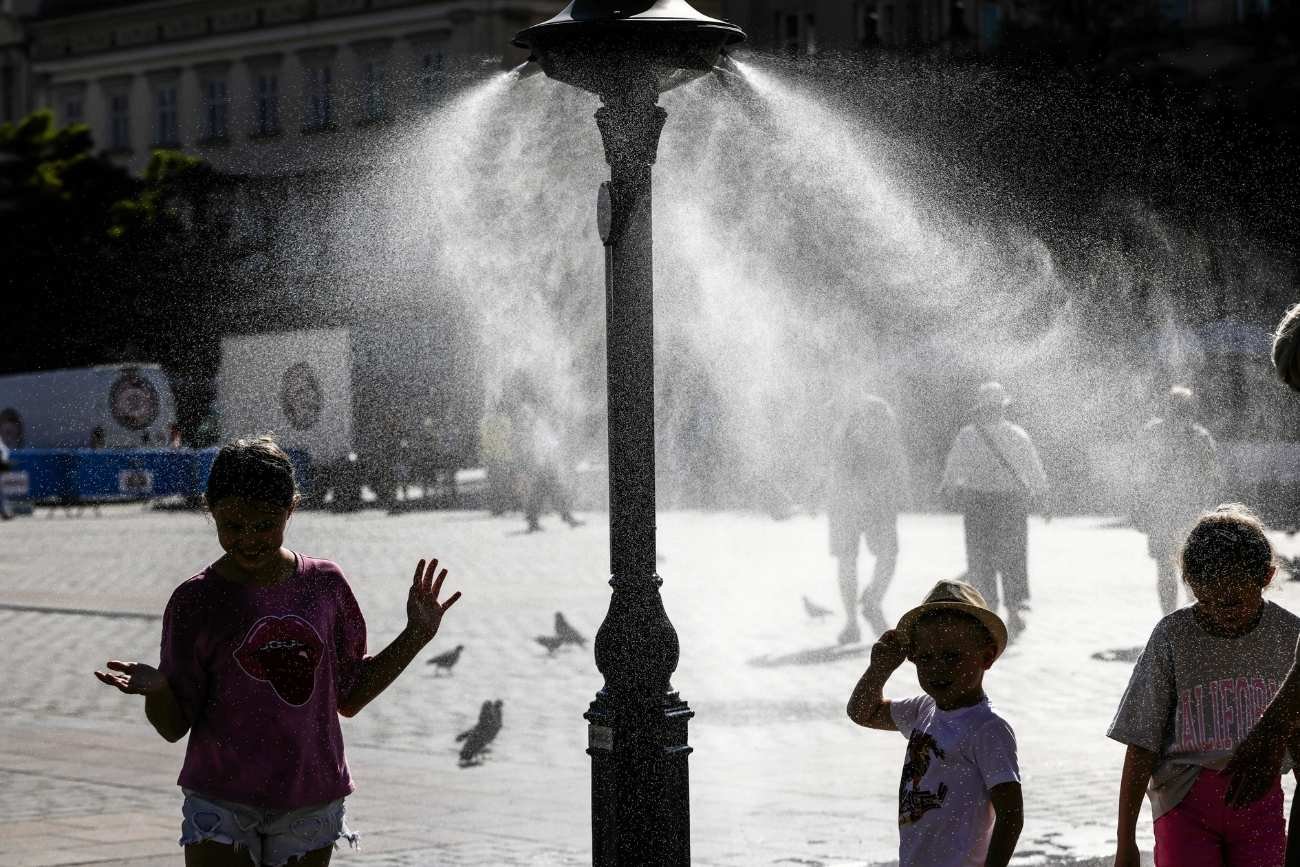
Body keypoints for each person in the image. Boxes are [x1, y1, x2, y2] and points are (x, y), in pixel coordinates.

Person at [94, 436, 462, 866]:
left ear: (291, 508)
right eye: (232, 525)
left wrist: (415, 635)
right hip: (221, 799)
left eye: (264, 524)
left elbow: (351, 696)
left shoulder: (325, 585)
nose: (248, 539)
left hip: (309, 797)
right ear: (210, 511)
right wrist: (158, 690)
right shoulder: (195, 601)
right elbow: (174, 726)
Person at [1107, 505, 1300, 867]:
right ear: (1191, 584)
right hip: (1183, 805)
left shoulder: (1288, 635)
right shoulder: (1172, 636)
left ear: (1267, 576)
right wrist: (1125, 841)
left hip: (1259, 803)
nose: (1221, 612)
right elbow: (1141, 743)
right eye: (1207, 599)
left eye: (1235, 601)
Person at [846, 578, 1022, 867]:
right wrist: (879, 670)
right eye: (926, 657)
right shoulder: (923, 710)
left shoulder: (988, 729)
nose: (937, 667)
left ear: (986, 656)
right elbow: (863, 712)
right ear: (912, 658)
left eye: (952, 656)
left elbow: (1011, 814)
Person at [940, 382, 1048, 641]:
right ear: (1002, 407)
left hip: (977, 504)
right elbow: (1034, 470)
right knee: (1013, 559)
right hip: (1011, 504)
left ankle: (988, 613)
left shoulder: (967, 435)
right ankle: (1012, 613)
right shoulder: (1017, 435)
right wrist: (1043, 498)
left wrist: (948, 489)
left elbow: (953, 469)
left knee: (980, 560)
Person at [1130, 385, 1223, 615]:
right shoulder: (1200, 437)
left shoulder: (1152, 433)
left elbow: (1138, 475)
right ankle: (1190, 618)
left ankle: (1171, 618)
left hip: (1164, 510)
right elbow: (1212, 478)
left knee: (1167, 567)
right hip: (1188, 510)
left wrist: (1138, 504)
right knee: (1190, 567)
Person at [827, 395, 910, 645]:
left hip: (861, 501)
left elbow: (827, 462)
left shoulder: (861, 422)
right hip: (861, 501)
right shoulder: (852, 426)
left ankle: (861, 612)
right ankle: (862, 611)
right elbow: (897, 459)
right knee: (856, 558)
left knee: (856, 558)